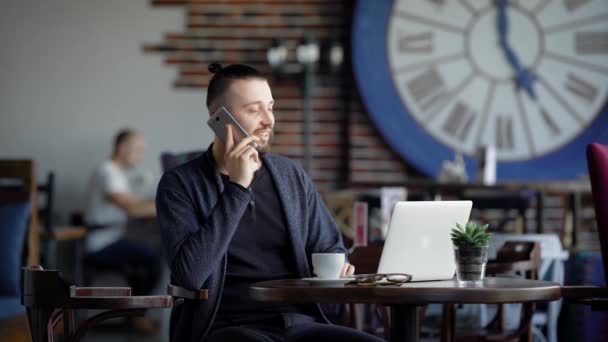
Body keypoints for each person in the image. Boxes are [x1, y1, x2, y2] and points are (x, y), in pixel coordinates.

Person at [156, 63, 384, 342]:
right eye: (254, 110)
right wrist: (238, 188)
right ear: (219, 117)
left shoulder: (290, 175)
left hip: (299, 323)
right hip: (226, 327)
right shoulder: (179, 184)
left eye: (271, 107)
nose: (269, 120)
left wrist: (339, 266)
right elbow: (189, 276)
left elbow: (329, 246)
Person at [83, 129, 161, 334]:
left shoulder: (117, 174)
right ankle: (137, 316)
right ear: (121, 148)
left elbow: (137, 204)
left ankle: (135, 313)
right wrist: (168, 205)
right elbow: (133, 209)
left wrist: (158, 202)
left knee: (147, 257)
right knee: (152, 258)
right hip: (100, 245)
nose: (141, 155)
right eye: (138, 150)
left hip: (112, 239)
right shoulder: (106, 172)